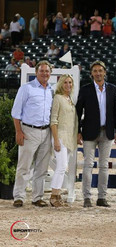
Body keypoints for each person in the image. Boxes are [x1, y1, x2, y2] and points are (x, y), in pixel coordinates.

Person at [76, 61, 116, 208]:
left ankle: (102, 197)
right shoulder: (85, 89)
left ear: (105, 72)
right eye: (95, 71)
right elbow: (77, 112)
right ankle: (87, 198)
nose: (98, 73)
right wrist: (77, 132)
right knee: (88, 165)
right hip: (88, 132)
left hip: (107, 132)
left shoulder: (112, 89)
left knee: (104, 166)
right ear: (91, 74)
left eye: (100, 70)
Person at [11, 60, 54, 208]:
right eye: (42, 71)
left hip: (46, 131)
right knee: (24, 166)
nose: (44, 74)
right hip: (28, 131)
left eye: (47, 71)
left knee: (42, 167)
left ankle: (37, 197)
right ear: (36, 72)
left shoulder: (51, 90)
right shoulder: (26, 88)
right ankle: (19, 197)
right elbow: (16, 113)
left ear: (50, 73)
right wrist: (18, 131)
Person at [49, 75, 78, 207]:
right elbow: (53, 120)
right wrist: (55, 140)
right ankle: (54, 195)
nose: (68, 85)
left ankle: (57, 194)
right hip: (60, 136)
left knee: (62, 167)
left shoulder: (70, 99)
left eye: (70, 82)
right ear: (61, 84)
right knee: (61, 167)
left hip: (69, 138)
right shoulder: (58, 98)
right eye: (65, 82)